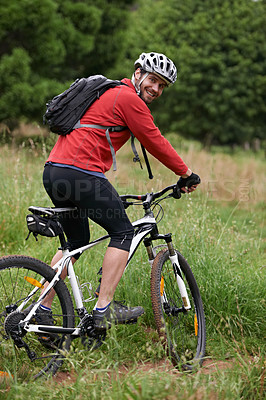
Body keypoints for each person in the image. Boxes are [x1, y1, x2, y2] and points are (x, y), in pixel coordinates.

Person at [36, 52, 200, 331]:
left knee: (75, 242)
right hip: (80, 172)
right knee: (123, 232)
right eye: (153, 80)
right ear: (138, 73)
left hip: (55, 171)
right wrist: (186, 174)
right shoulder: (127, 98)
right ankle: (103, 310)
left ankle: (41, 309)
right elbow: (155, 140)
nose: (157, 89)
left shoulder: (108, 93)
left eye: (162, 86)